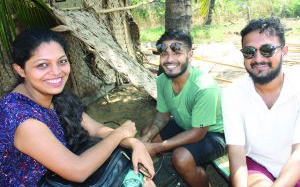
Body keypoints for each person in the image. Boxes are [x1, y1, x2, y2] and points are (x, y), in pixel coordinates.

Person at [0, 29, 155, 186]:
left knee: (142, 181)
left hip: (56, 179)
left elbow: (96, 129)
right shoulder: (21, 117)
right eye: (42, 65)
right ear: (20, 70)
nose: (56, 72)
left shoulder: (55, 97)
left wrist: (136, 144)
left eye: (62, 61)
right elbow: (78, 170)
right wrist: (120, 133)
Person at [140, 30, 225, 187]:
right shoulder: (162, 80)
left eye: (177, 52)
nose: (169, 59)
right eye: (164, 53)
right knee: (146, 132)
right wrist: (146, 140)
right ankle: (165, 171)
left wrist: (155, 147)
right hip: (186, 125)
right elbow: (162, 116)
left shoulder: (204, 87)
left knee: (181, 158)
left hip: (215, 133)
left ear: (190, 55)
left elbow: (199, 133)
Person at [222, 17, 300, 187]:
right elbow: (236, 154)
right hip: (258, 164)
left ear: (284, 51)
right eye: (249, 51)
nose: (258, 59)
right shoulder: (231, 94)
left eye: (267, 50)